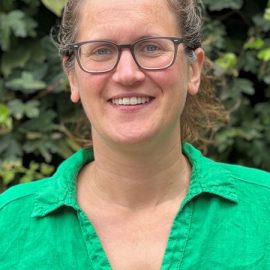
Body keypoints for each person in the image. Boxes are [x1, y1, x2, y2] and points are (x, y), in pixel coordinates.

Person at [1, 0, 270, 269]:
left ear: (193, 70)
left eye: (151, 47)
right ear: (73, 77)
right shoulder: (9, 225)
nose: (127, 75)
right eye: (102, 50)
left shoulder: (263, 209)